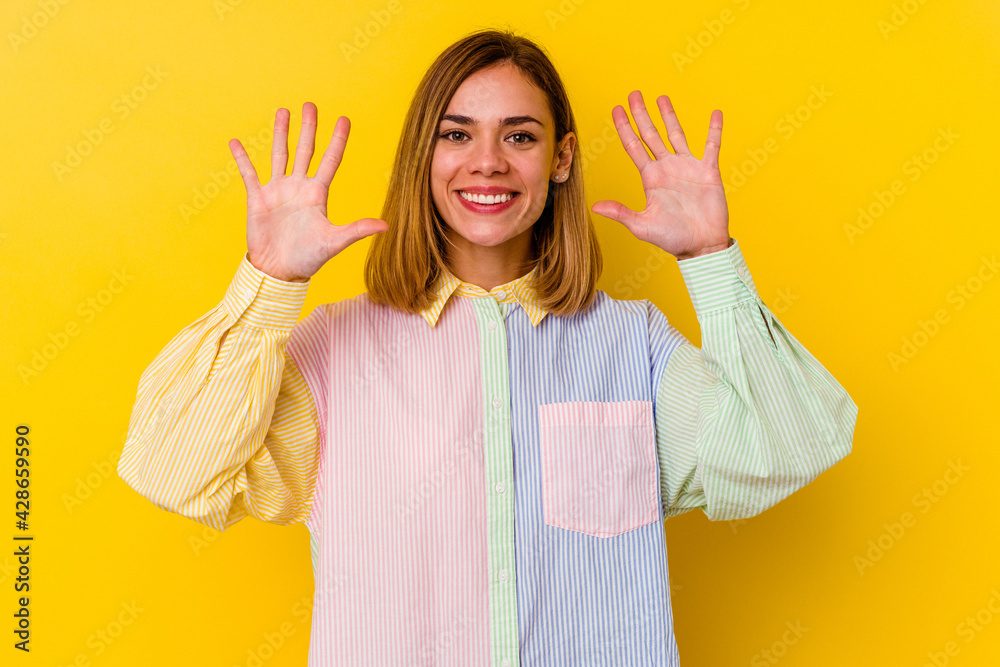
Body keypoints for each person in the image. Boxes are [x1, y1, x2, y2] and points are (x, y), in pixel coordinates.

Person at [118, 28, 858, 667]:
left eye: (520, 135)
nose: (488, 162)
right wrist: (269, 283)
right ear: (424, 156)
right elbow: (169, 467)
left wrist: (711, 258)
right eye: (457, 132)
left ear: (560, 158)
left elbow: (787, 446)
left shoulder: (634, 345)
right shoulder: (333, 350)